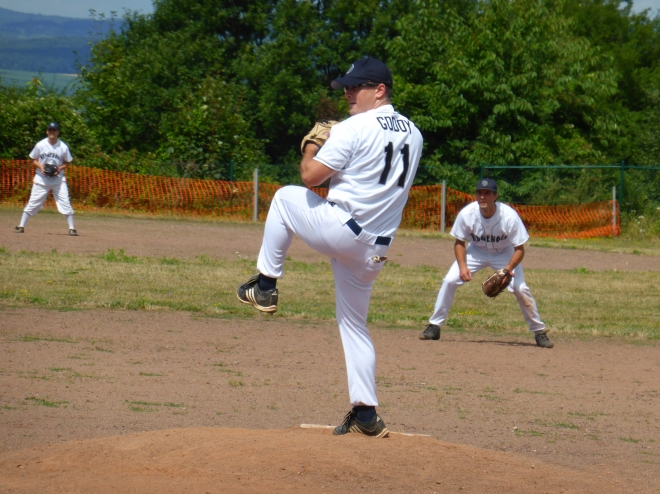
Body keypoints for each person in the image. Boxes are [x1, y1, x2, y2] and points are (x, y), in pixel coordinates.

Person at [237, 57, 424, 437]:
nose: (349, 93)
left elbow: (310, 177)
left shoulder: (354, 127)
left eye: (357, 86)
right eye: (348, 87)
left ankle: (266, 285)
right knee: (354, 325)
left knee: (285, 198)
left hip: (343, 228)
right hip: (376, 249)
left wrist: (311, 146)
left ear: (380, 90)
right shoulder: (415, 134)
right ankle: (366, 413)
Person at [420, 178, 554, 349]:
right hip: (476, 251)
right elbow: (459, 242)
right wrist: (462, 266)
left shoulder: (509, 217)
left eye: (487, 193)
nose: (483, 196)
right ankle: (434, 326)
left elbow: (519, 249)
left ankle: (539, 332)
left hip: (505, 254)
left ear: (495, 196)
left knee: (521, 289)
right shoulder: (467, 214)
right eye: (480, 193)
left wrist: (507, 270)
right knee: (450, 280)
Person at [14, 121, 78, 236]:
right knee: (33, 202)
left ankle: (72, 228)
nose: (52, 132)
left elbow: (68, 162)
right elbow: (33, 159)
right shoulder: (40, 145)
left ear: (58, 132)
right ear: (47, 131)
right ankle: (21, 226)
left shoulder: (63, 147)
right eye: (50, 130)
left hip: (58, 179)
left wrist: (60, 168)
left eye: (54, 130)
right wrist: (41, 166)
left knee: (65, 202)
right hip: (41, 178)